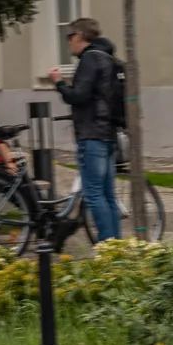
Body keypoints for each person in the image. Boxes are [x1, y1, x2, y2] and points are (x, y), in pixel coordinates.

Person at [47, 17, 121, 241]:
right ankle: (117, 247)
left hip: (91, 135)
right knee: (108, 195)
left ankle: (107, 247)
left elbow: (78, 96)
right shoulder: (108, 59)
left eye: (69, 36)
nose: (68, 42)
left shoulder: (89, 59)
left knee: (94, 194)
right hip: (108, 134)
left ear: (79, 36)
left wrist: (59, 83)